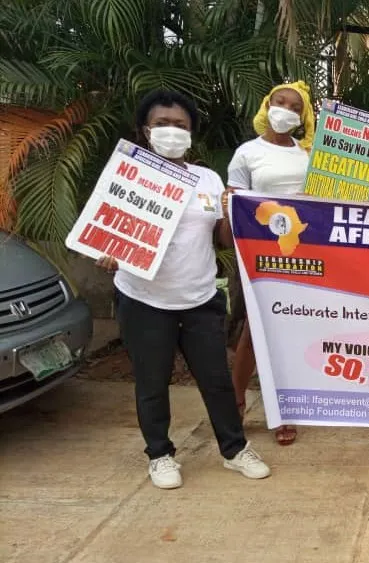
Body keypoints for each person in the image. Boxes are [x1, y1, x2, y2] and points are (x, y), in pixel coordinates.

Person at [97, 90, 270, 489]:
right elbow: (105, 233)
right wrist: (105, 251)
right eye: (162, 125)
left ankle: (234, 449)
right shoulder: (128, 176)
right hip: (144, 299)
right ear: (145, 130)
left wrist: (231, 214)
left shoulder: (206, 178)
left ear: (191, 133)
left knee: (217, 381)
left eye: (180, 126)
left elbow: (223, 239)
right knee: (152, 382)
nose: (171, 132)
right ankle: (159, 454)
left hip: (200, 298)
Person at [228, 81, 315, 446]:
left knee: (290, 334)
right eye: (280, 102)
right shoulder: (247, 153)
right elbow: (232, 201)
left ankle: (284, 409)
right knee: (253, 331)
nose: (286, 109)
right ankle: (235, 402)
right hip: (258, 253)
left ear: (302, 117)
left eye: (294, 106)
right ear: (267, 105)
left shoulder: (309, 155)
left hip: (302, 253)